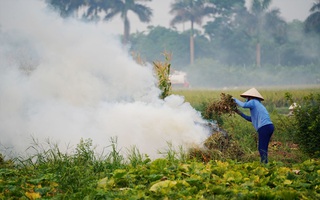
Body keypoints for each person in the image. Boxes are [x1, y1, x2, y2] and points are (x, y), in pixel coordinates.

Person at [233, 88, 274, 164]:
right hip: (269, 126)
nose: (246, 99)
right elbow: (250, 118)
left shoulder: (253, 101)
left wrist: (234, 99)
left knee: (261, 148)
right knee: (264, 147)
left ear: (250, 97)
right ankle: (265, 163)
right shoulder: (258, 105)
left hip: (264, 127)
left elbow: (244, 105)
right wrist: (238, 112)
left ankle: (264, 164)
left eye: (246, 98)